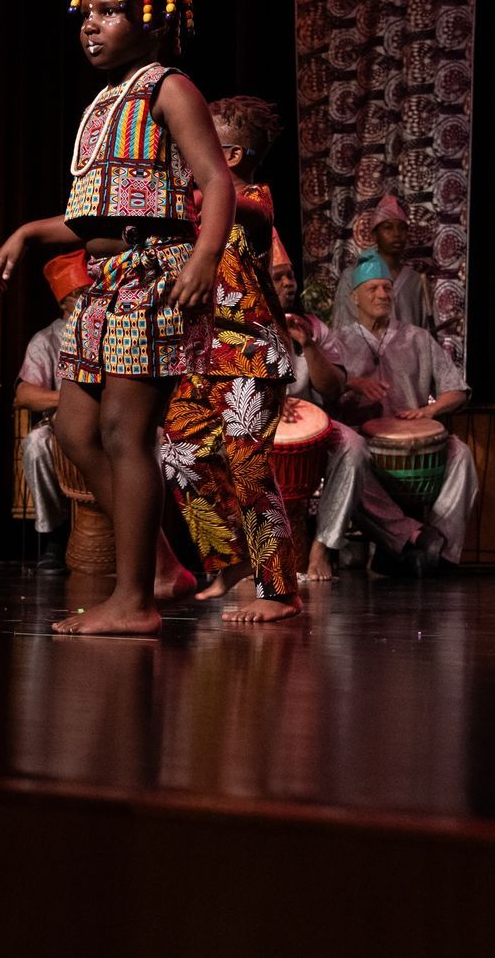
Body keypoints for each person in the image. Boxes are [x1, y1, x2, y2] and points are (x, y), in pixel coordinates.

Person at [0, 0, 227, 636]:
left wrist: (205, 257)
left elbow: (215, 179)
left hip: (153, 275)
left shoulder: (168, 88)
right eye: (86, 14)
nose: (90, 26)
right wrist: (27, 233)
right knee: (72, 429)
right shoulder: (104, 102)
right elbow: (93, 217)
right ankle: (160, 565)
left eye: (110, 11)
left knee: (126, 432)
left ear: (152, 22)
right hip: (105, 281)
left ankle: (135, 600)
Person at [162, 95, 300, 622]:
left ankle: (280, 592)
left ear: (233, 156)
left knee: (248, 468)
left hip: (250, 357)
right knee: (179, 453)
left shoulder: (254, 204)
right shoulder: (191, 214)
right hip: (198, 355)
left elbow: (242, 210)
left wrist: (194, 190)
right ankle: (231, 559)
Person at [270, 234, 417, 582]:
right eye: (278, 277)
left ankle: (323, 545)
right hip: (256, 421)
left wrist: (308, 345)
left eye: (291, 275)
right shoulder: (242, 326)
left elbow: (333, 389)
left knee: (352, 445)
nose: (290, 283)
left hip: (313, 425)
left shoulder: (313, 327)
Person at [328, 251, 474, 573]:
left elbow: (457, 390)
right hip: (365, 444)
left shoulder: (417, 338)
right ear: (354, 298)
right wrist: (352, 383)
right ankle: (416, 537)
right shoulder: (338, 342)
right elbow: (324, 390)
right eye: (373, 289)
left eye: (387, 287)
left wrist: (431, 410)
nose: (382, 294)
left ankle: (441, 553)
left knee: (460, 454)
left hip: (415, 446)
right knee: (350, 459)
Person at [16, 251, 89, 573]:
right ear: (65, 302)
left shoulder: (112, 331)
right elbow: (24, 394)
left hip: (111, 426)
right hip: (63, 426)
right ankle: (54, 538)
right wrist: (72, 402)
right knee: (35, 444)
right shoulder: (46, 340)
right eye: (83, 294)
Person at [332, 192, 431, 333]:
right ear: (374, 235)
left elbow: (426, 333)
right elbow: (343, 329)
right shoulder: (352, 277)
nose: (396, 234)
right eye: (388, 228)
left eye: (402, 228)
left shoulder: (416, 281)